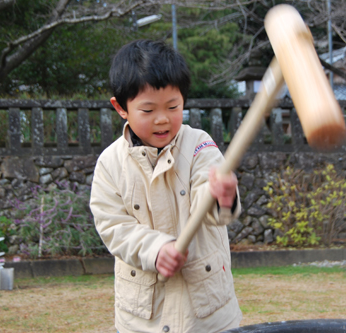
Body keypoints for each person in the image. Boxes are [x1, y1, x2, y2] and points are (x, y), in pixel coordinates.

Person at [90, 39, 243, 333]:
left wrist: (221, 198)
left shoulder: (200, 145)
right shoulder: (110, 163)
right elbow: (113, 226)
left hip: (207, 316)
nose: (162, 119)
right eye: (147, 111)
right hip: (143, 317)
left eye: (173, 107)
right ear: (120, 107)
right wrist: (156, 249)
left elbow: (209, 202)